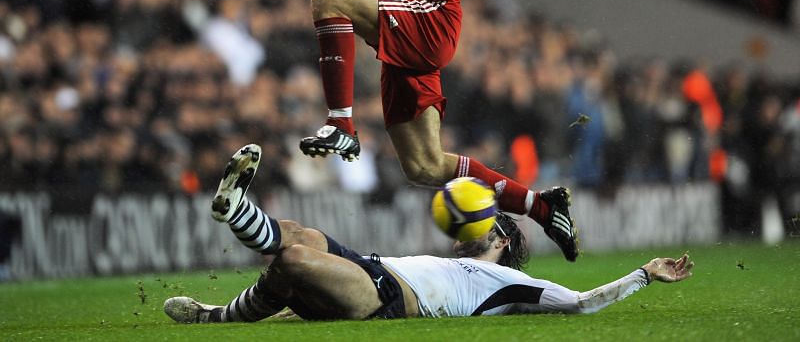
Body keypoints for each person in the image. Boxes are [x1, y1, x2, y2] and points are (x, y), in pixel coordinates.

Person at [229, 0, 639, 262]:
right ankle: (541, 206)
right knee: (423, 166)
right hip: (399, 28)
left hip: (433, 21)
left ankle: (342, 125)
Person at [168, 144, 693, 322]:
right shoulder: (451, 261)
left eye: (483, 230)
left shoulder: (505, 287)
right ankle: (237, 211)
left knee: (292, 263)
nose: (466, 237)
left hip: (389, 297)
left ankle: (215, 315)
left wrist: (644, 275)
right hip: (372, 267)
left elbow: (582, 303)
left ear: (503, 240)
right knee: (298, 233)